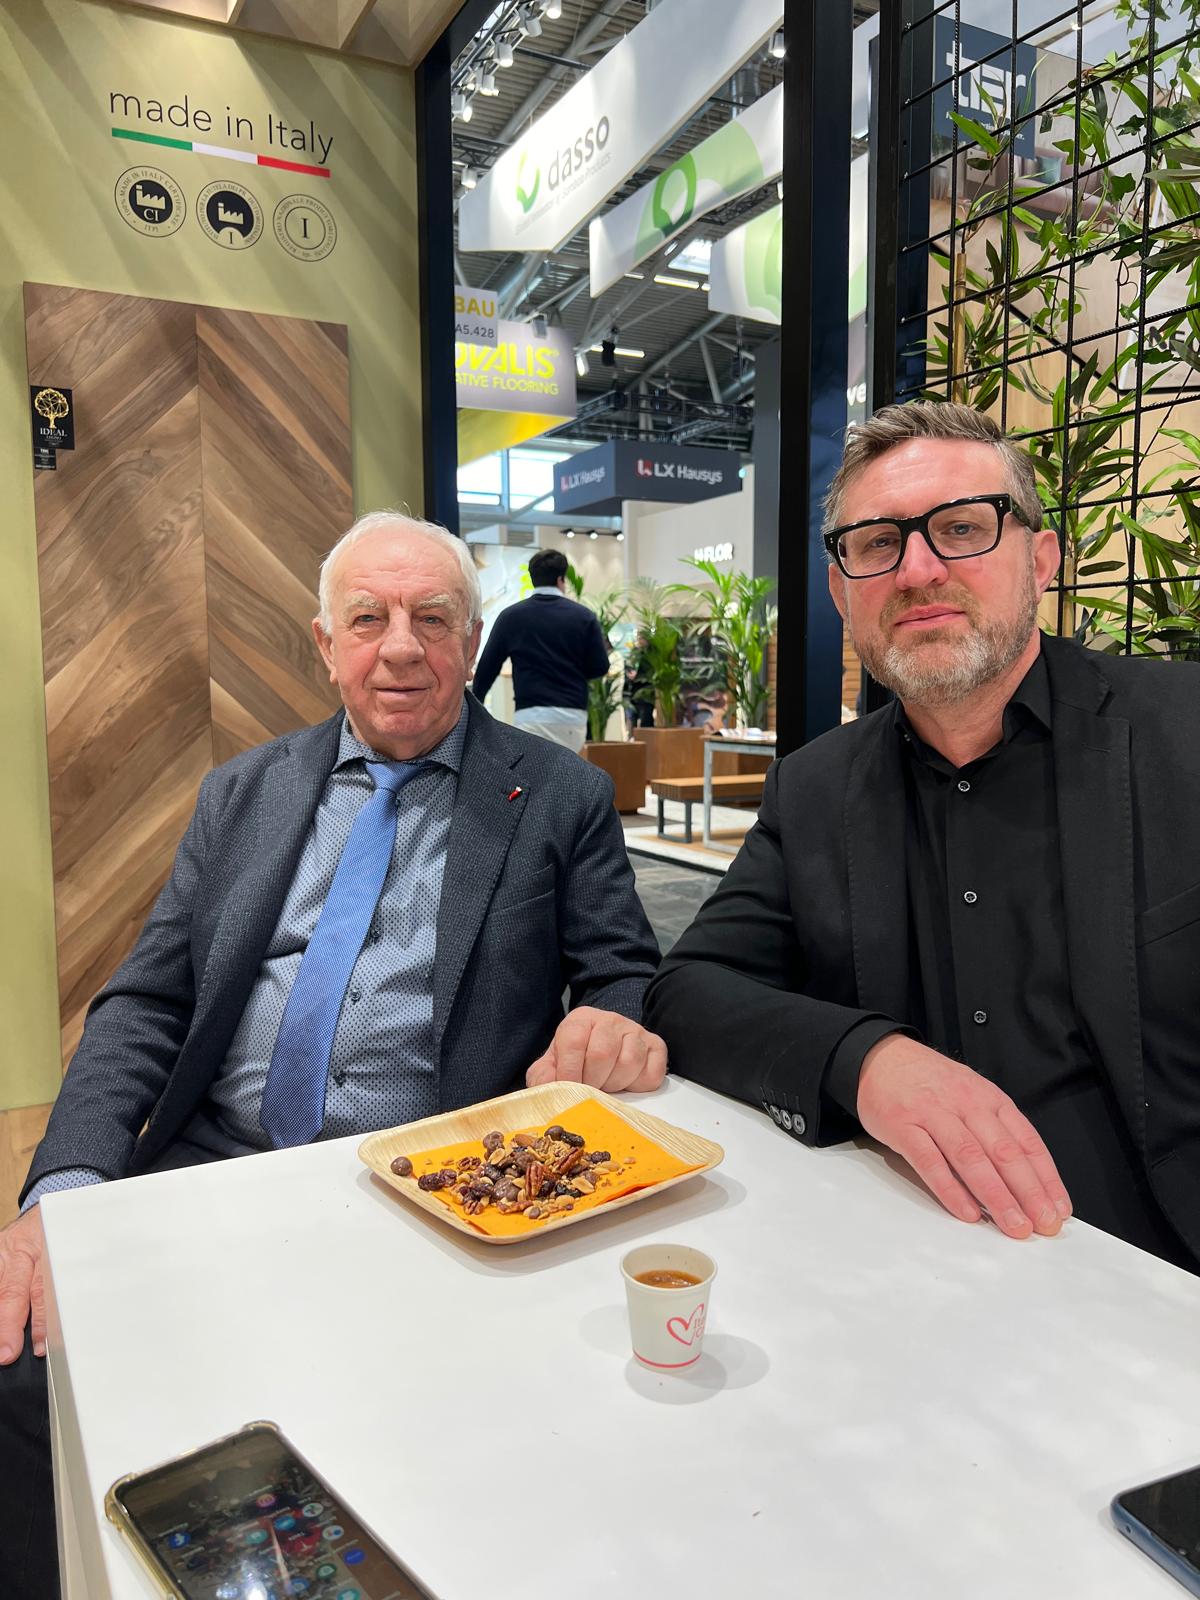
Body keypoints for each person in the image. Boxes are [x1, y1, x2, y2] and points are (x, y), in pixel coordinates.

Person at [0, 511, 665, 1595]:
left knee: (396, 1447)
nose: (400, 646)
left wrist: (612, 1019)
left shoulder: (559, 795)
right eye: (368, 619)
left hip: (424, 1193)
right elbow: (147, 1000)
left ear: (472, 638)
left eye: (432, 619)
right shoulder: (243, 791)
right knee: (26, 1376)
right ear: (325, 643)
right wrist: (64, 1195)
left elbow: (622, 972)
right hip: (210, 1164)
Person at [645, 400, 1200, 1273]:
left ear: (1040, 560)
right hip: (906, 1262)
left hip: (1161, 1275)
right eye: (876, 544)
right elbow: (687, 991)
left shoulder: (1184, 737)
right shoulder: (816, 787)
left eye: (962, 528)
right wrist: (868, 1060)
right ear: (842, 592)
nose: (917, 570)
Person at [470, 547, 611, 752]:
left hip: (530, 715)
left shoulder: (511, 616)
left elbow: (487, 667)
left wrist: (477, 705)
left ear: (532, 578)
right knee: (569, 770)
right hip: (572, 716)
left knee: (531, 771)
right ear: (561, 579)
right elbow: (600, 666)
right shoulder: (584, 616)